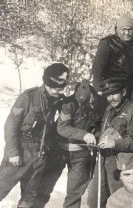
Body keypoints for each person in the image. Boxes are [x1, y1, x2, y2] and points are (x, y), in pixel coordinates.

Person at [0, 63, 69, 208]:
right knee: (2, 187)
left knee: (30, 193)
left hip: (40, 152)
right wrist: (13, 153)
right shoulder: (28, 97)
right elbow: (10, 126)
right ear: (49, 83)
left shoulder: (57, 100)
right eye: (58, 88)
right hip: (21, 149)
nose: (60, 91)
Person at [34, 80, 101, 208]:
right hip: (59, 151)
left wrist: (96, 137)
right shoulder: (68, 104)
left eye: (91, 99)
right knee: (44, 187)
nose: (89, 103)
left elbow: (99, 126)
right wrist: (84, 135)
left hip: (81, 154)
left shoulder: (99, 103)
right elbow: (62, 128)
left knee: (74, 193)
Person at [87, 77, 133, 208]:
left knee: (120, 202)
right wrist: (95, 139)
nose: (111, 98)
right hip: (103, 161)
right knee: (94, 201)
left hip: (123, 165)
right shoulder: (109, 110)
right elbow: (105, 132)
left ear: (123, 92)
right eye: (108, 95)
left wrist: (115, 143)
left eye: (114, 93)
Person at [92, 14, 133, 99]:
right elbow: (97, 67)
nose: (127, 33)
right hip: (114, 88)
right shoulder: (107, 43)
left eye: (130, 29)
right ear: (117, 29)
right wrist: (99, 88)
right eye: (123, 29)